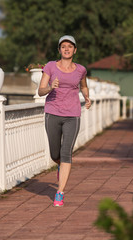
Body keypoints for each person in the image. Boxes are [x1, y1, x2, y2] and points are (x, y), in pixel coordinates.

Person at [38, 35, 91, 207]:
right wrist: (50, 87)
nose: (66, 49)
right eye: (63, 46)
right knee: (55, 154)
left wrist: (87, 98)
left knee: (66, 152)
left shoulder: (81, 70)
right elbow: (40, 91)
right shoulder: (50, 66)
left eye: (70, 46)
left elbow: (83, 85)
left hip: (72, 115)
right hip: (52, 113)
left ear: (75, 50)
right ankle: (61, 167)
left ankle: (59, 193)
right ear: (59, 50)